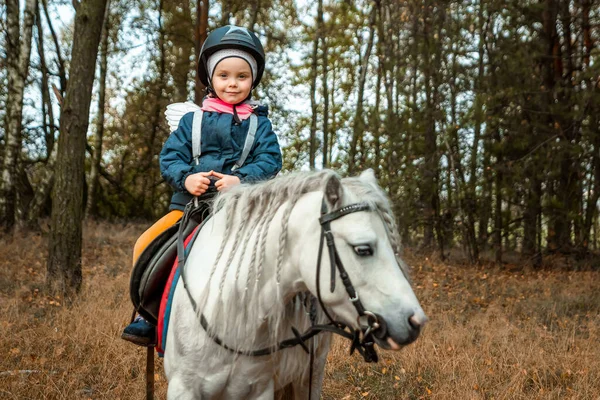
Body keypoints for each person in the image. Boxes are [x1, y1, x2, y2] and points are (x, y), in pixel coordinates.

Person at [122, 25, 282, 346]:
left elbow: (270, 161)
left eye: (241, 76)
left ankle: (273, 319)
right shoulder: (191, 121)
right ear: (210, 78)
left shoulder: (260, 124)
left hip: (239, 209)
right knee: (146, 243)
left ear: (253, 80)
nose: (232, 83)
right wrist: (186, 177)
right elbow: (170, 158)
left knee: (278, 250)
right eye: (223, 75)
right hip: (188, 208)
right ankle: (147, 313)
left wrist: (241, 180)